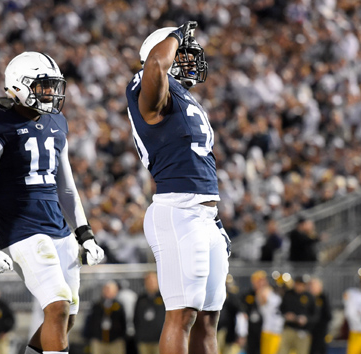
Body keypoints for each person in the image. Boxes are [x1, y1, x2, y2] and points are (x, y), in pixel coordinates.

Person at [0, 51, 105, 354]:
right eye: (44, 86)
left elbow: (66, 186)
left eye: (54, 86)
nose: (52, 94)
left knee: (67, 313)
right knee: (56, 306)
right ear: (18, 86)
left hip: (58, 227)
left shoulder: (57, 122)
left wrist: (85, 233)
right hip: (21, 228)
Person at [125, 21, 230, 354]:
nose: (189, 57)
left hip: (205, 215)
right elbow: (155, 65)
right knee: (182, 314)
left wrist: (214, 218)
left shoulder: (184, 97)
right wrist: (174, 34)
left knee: (208, 320)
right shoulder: (148, 86)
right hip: (178, 210)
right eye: (181, 51)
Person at [83, 281, 127, 354]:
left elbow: (123, 322)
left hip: (115, 341)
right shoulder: (97, 305)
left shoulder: (119, 306)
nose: (107, 292)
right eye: (106, 289)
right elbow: (90, 321)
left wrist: (122, 336)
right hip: (99, 340)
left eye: (110, 290)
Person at [278, 274, 317, 354]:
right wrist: (286, 315)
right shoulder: (288, 294)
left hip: (303, 331)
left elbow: (315, 315)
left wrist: (306, 319)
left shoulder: (309, 297)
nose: (300, 286)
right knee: (282, 351)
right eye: (298, 284)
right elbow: (280, 310)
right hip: (288, 329)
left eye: (302, 285)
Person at [133, 272, 164, 354]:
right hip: (144, 339)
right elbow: (135, 318)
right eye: (148, 281)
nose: (151, 284)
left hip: (159, 339)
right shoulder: (141, 299)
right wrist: (139, 335)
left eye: (153, 281)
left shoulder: (163, 297)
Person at [308, 277, 331, 354]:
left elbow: (328, 315)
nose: (311, 288)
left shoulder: (323, 298)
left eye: (313, 286)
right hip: (309, 331)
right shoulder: (308, 298)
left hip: (320, 330)